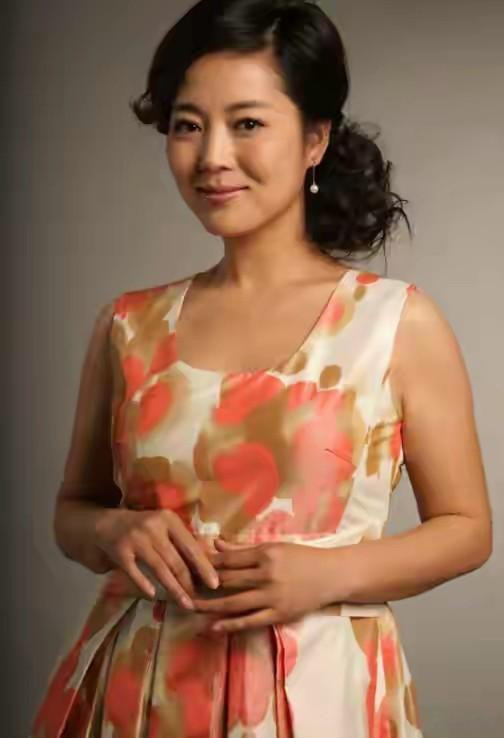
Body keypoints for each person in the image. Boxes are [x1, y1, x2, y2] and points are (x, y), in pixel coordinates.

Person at [31, 1, 493, 736]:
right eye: (188, 125)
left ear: (315, 138)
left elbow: (467, 528)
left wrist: (329, 573)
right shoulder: (127, 326)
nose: (212, 156)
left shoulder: (394, 322)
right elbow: (73, 512)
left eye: (246, 123)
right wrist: (115, 531)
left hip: (318, 692)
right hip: (142, 688)